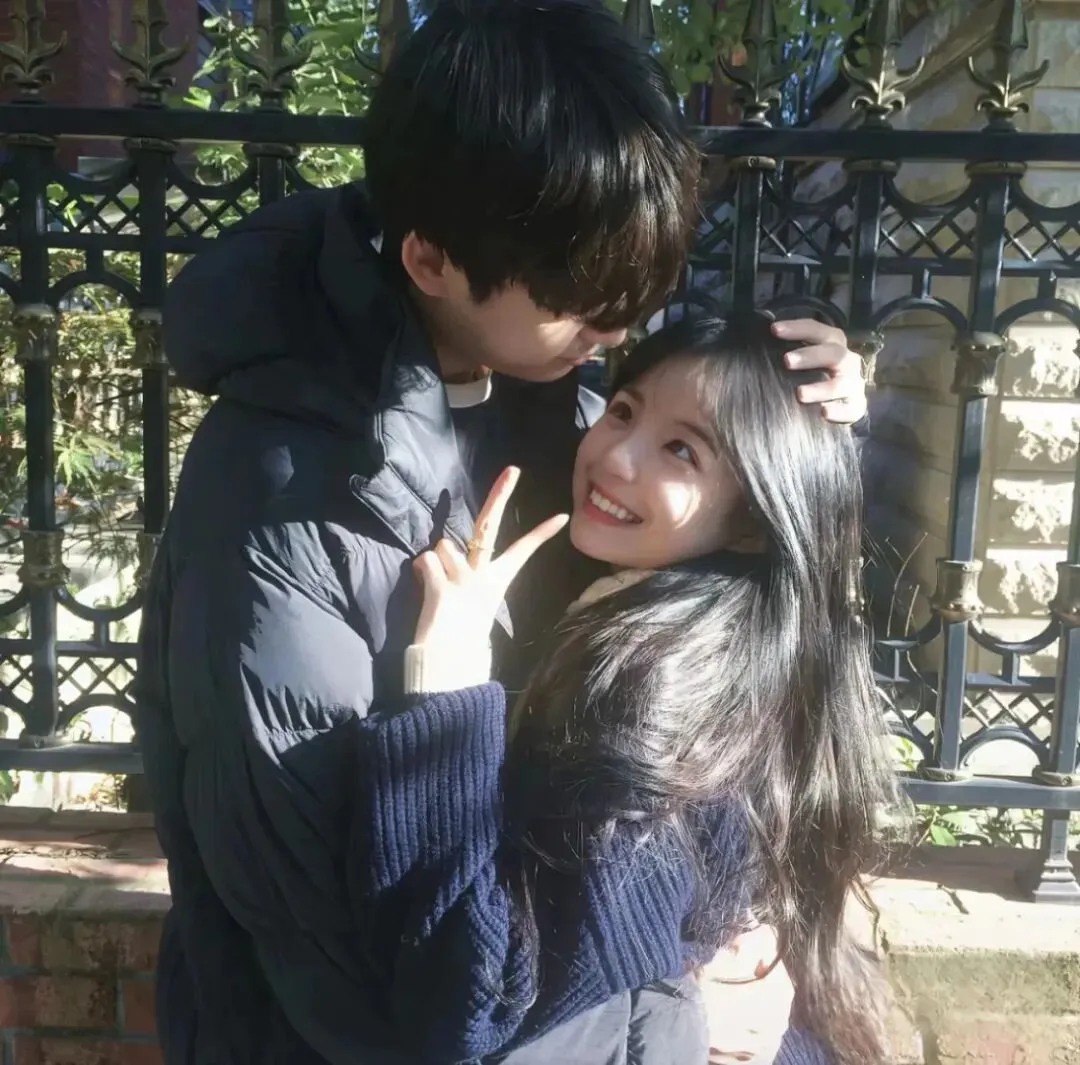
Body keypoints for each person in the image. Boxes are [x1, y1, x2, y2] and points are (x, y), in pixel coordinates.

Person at [134, 2, 871, 1063]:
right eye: (583, 296)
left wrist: (806, 423)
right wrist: (687, 1013)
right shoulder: (282, 516)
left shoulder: (545, 387)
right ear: (431, 259)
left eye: (634, 288)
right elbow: (358, 986)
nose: (616, 331)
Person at [378, 312, 894, 1065]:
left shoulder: (657, 696)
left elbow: (475, 998)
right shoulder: (729, 624)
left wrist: (446, 695)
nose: (615, 457)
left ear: (757, 518)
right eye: (622, 410)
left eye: (682, 450)